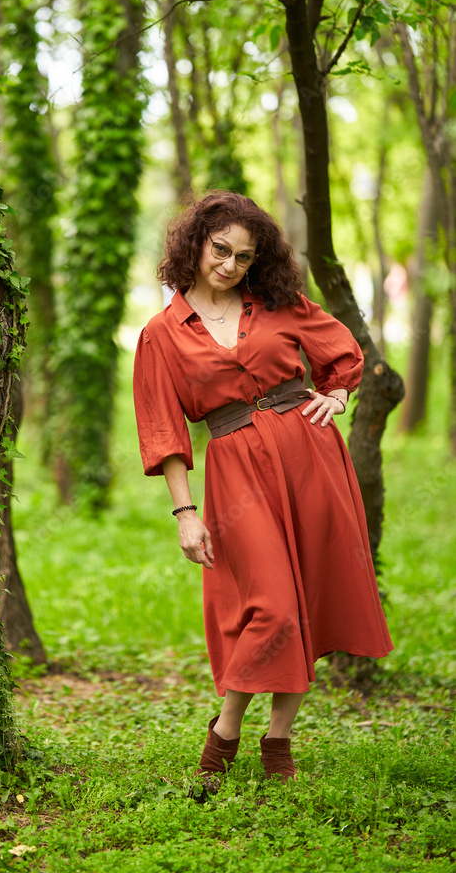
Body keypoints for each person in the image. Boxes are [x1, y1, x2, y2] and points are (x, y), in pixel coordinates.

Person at [132, 191, 393, 786]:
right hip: (237, 467)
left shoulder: (278, 303)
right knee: (272, 607)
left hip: (309, 454)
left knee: (306, 601)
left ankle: (278, 742)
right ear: (195, 243)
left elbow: (342, 352)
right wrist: (185, 513)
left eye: (242, 257)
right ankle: (225, 731)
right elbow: (164, 430)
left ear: (257, 262)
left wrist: (340, 393)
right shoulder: (161, 333)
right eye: (219, 250)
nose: (228, 265)